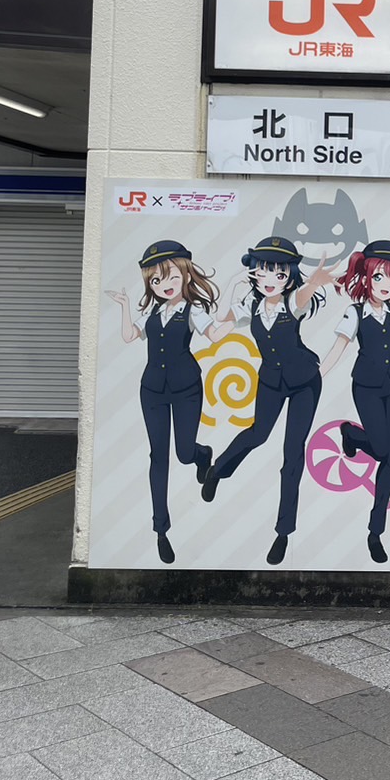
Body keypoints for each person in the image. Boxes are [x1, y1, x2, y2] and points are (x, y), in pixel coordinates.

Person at [200, 236, 332, 567]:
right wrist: (232, 285)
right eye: (263, 272)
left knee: (293, 452)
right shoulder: (251, 306)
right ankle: (217, 470)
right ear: (254, 273)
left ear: (289, 277)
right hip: (271, 380)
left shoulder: (293, 302)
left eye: (280, 274)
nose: (271, 280)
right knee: (258, 434)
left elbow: (304, 294)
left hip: (304, 382)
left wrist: (314, 282)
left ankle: (283, 532)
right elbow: (218, 328)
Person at [106, 239, 228, 565]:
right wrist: (124, 305)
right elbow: (129, 336)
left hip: (186, 387)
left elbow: (215, 335)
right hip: (152, 390)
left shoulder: (193, 310)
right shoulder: (152, 311)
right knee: (158, 456)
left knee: (184, 453)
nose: (165, 285)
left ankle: (202, 455)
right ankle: (161, 529)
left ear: (186, 275)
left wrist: (235, 306)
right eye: (157, 280)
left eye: (173, 276)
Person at [320, 239, 390, 564]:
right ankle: (352, 434)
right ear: (366, 276)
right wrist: (317, 376)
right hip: (367, 386)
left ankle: (375, 531)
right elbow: (338, 348)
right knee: (381, 450)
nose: (386, 285)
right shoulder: (354, 313)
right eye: (379, 276)